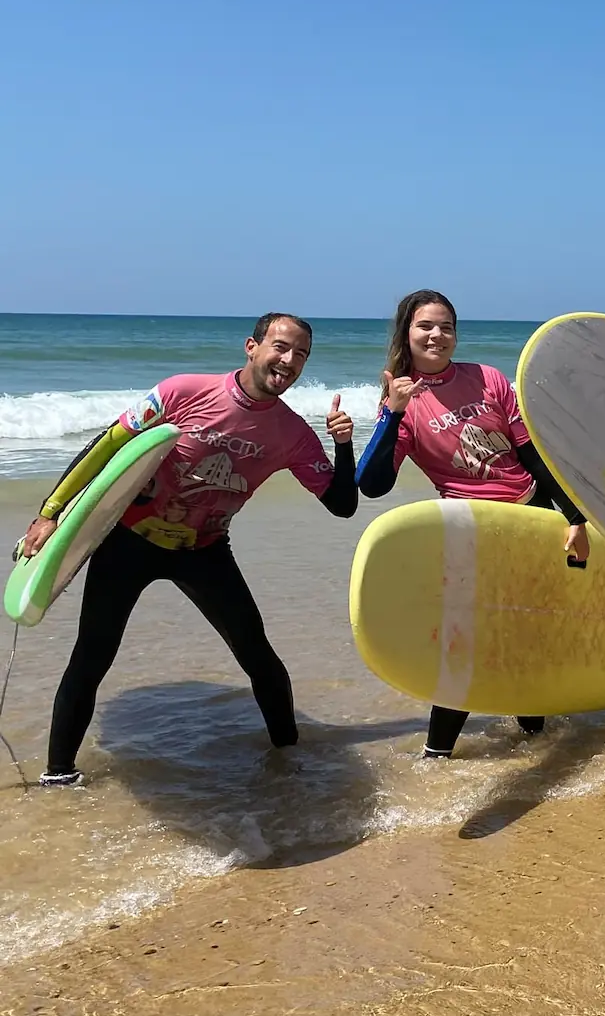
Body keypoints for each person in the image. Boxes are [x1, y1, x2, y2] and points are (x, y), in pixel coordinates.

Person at [15, 314, 359, 785]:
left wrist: (343, 445)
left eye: (301, 354)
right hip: (129, 541)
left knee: (258, 656)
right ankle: (58, 774)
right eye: (281, 347)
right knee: (93, 654)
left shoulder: (293, 434)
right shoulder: (182, 391)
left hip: (205, 550)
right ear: (251, 346)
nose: (290, 361)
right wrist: (50, 512)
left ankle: (289, 762)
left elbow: (341, 504)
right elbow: (106, 446)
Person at [355, 289, 592, 758]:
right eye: (425, 326)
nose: (436, 335)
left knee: (532, 631)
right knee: (468, 637)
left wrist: (575, 517)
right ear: (407, 333)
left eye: (446, 326)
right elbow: (372, 483)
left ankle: (533, 737)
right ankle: (438, 753)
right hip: (472, 528)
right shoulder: (401, 399)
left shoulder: (487, 378)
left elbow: (531, 454)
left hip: (531, 515)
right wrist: (394, 413)